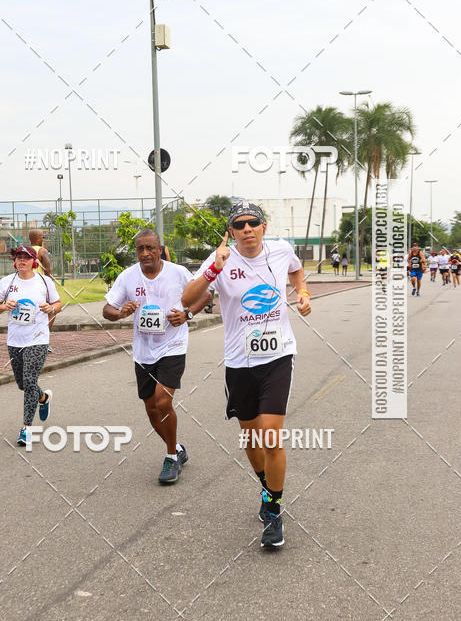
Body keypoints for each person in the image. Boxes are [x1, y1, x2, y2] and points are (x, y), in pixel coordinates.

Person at [182, 201, 311, 550]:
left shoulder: (282, 250)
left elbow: (297, 271)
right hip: (240, 362)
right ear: (231, 232)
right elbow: (187, 297)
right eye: (239, 225)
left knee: (271, 435)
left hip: (278, 355)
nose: (247, 229)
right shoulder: (220, 259)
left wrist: (302, 292)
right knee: (252, 439)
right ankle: (265, 487)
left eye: (253, 222)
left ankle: (274, 509)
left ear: (263, 226)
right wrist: (213, 270)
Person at [103, 228, 212, 485]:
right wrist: (119, 313)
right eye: (140, 249)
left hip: (172, 345)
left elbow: (205, 295)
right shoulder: (128, 277)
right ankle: (177, 448)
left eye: (150, 247)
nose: (145, 253)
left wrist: (187, 314)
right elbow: (107, 309)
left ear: (160, 248)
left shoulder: (177, 273)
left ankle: (171, 455)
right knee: (151, 408)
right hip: (143, 350)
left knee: (163, 402)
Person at [0, 246, 62, 445]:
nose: (21, 260)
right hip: (15, 340)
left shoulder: (44, 282)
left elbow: (58, 304)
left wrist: (50, 307)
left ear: (33, 261)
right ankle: (43, 398)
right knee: (23, 384)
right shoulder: (7, 282)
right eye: (18, 257)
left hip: (38, 338)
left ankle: (26, 429)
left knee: (30, 380)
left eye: (26, 257)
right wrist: (4, 306)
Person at [29, 229, 56, 352]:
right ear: (38, 239)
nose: (43, 239)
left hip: (26, 283)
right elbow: (48, 269)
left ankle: (30, 340)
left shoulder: (25, 251)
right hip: (40, 284)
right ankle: (44, 341)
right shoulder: (42, 251)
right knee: (51, 311)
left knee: (31, 312)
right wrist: (51, 281)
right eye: (42, 237)